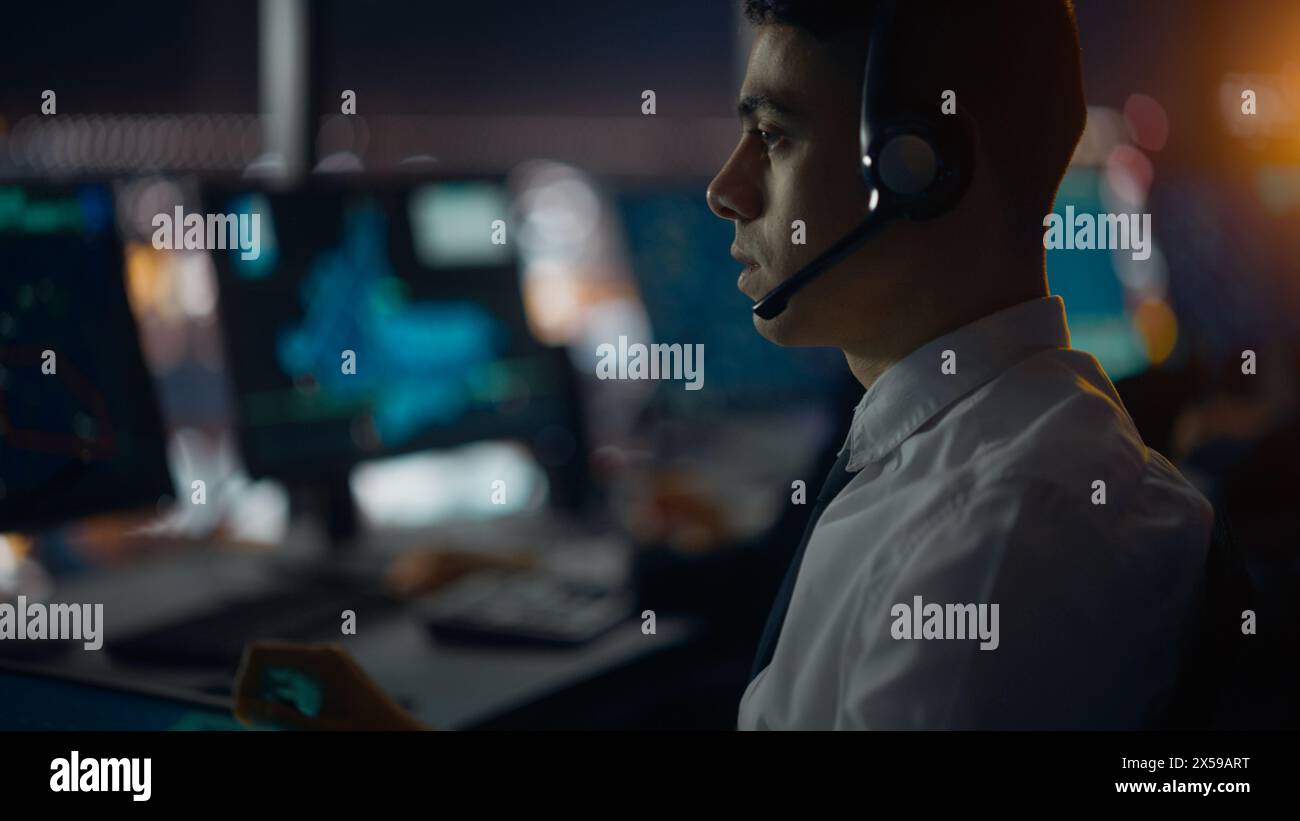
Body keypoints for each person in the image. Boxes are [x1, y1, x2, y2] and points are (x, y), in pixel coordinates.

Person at [233, 0, 1213, 730]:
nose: (724, 188)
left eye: (775, 136)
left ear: (919, 168)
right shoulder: (957, 456)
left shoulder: (991, 541)